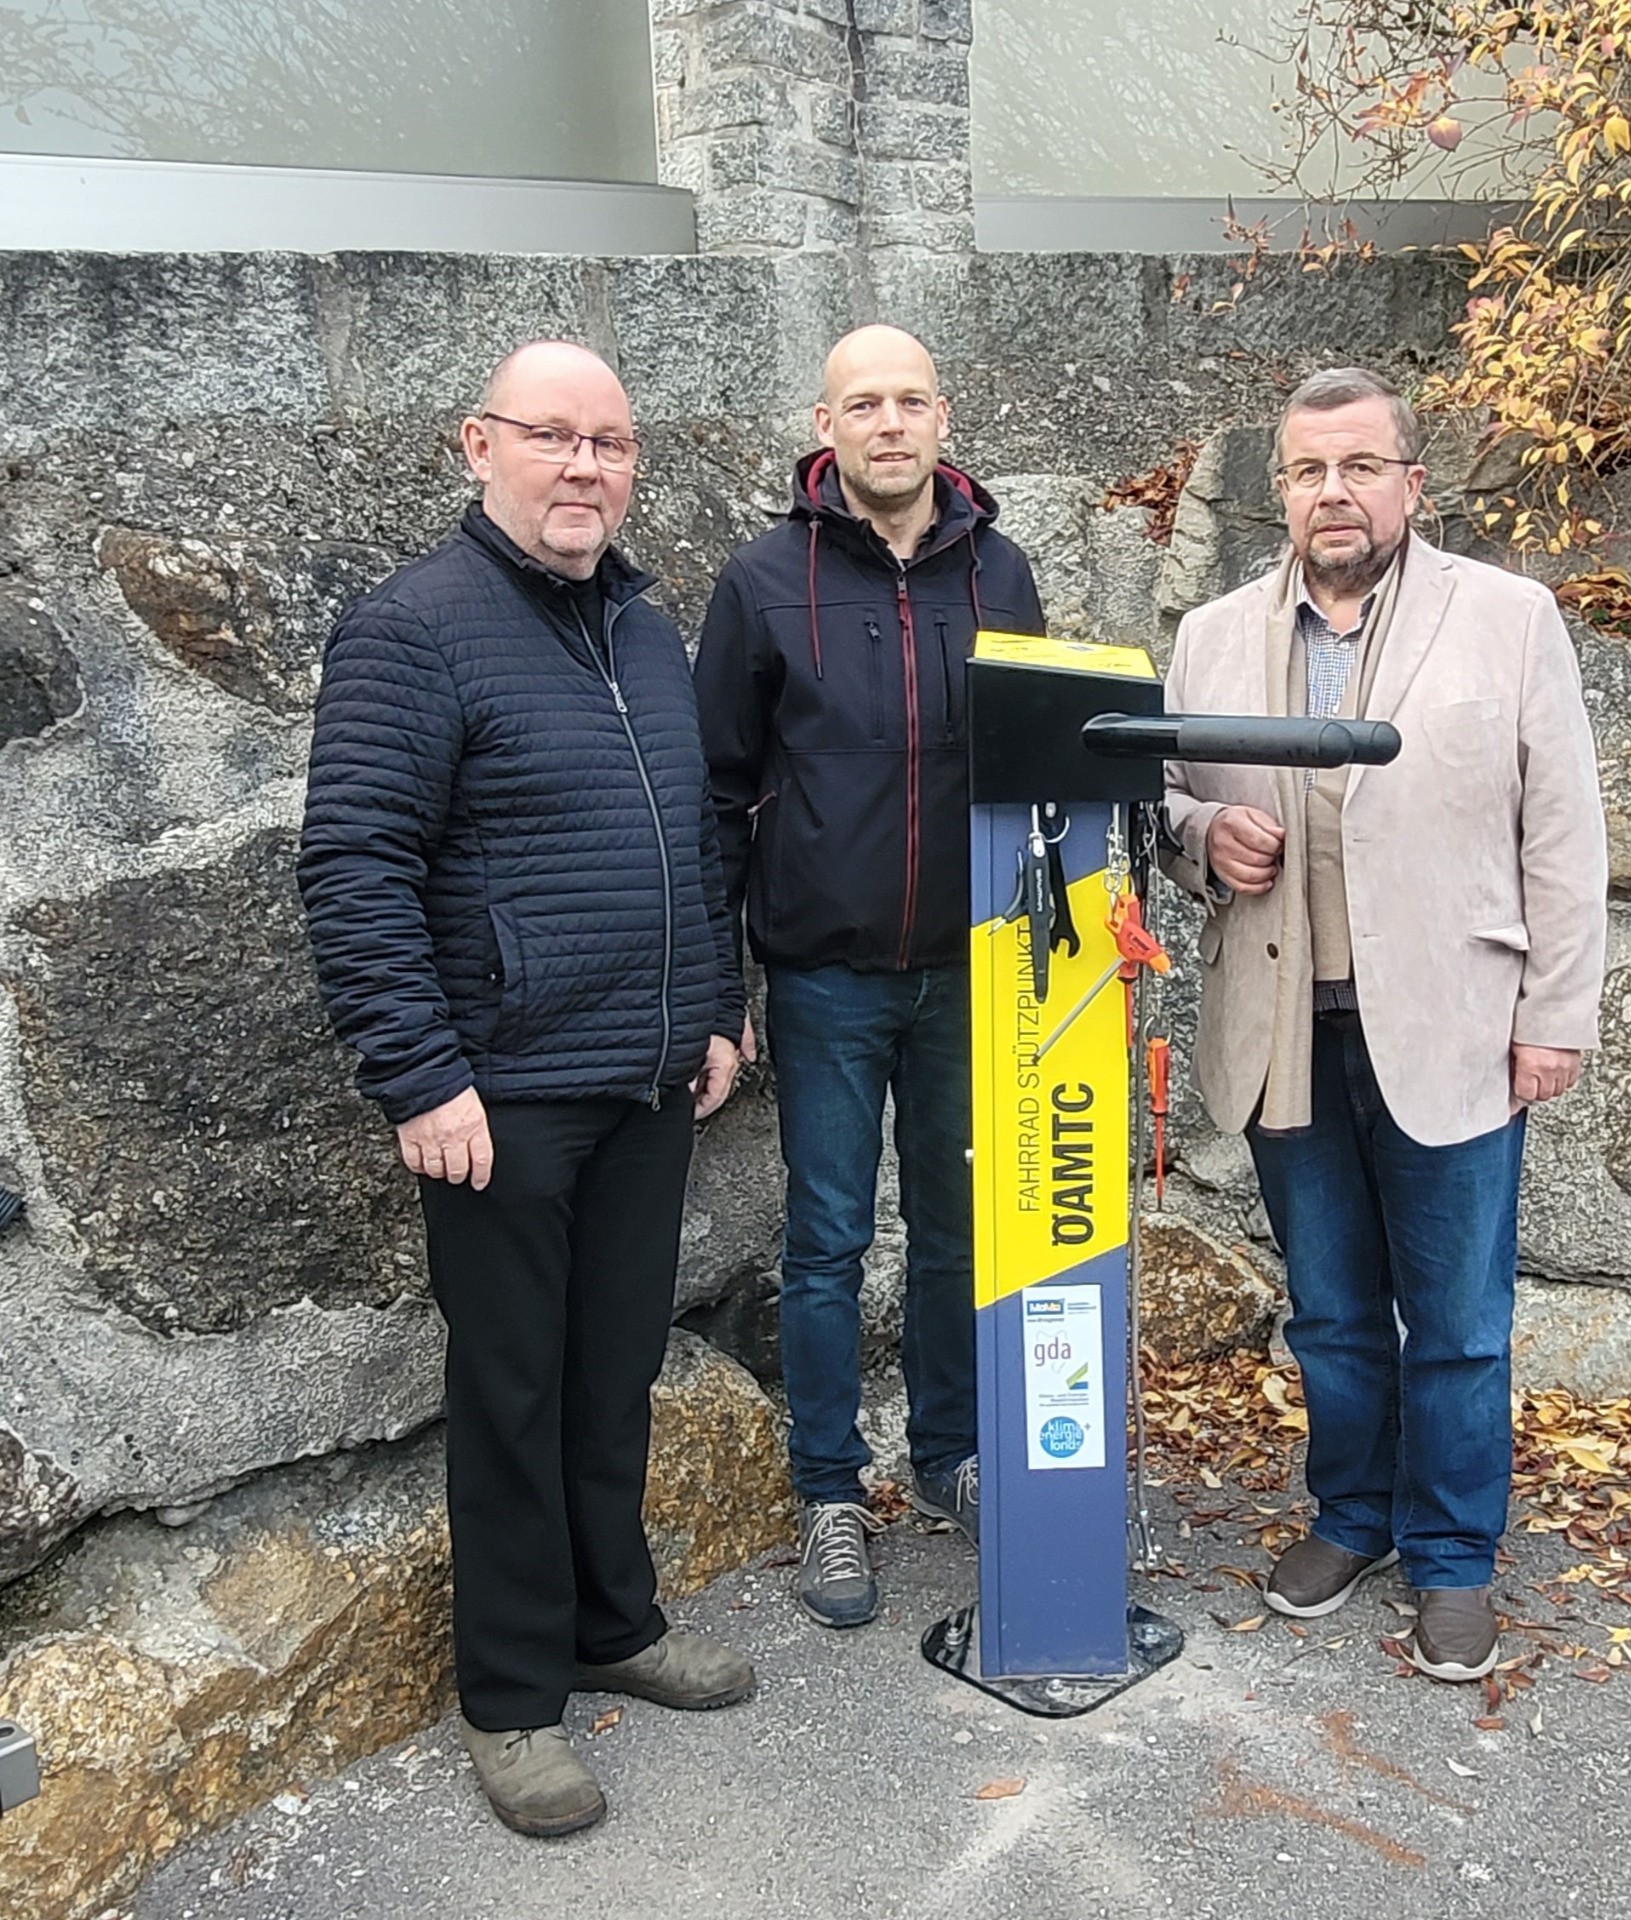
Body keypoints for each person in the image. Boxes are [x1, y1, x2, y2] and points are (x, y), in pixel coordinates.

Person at [299, 340, 753, 1837]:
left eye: (609, 442)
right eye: (551, 437)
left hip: (644, 1084)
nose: (584, 467)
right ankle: (510, 1700)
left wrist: (713, 1015)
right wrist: (422, 1077)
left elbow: (690, 836)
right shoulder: (411, 630)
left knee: (613, 1372)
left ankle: (611, 1621)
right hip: (497, 1100)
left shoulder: (639, 625)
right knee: (509, 1396)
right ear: (474, 446)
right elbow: (354, 866)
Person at [1160, 366, 1608, 1683]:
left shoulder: (1509, 618)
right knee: (1335, 1314)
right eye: (1309, 471)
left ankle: (1455, 1556)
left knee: (1459, 1322)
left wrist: (1555, 1014)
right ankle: (1353, 1516)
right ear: (1281, 493)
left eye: (1361, 466)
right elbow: (1169, 791)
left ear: (1412, 482)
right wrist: (1201, 837)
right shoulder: (1212, 636)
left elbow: (1563, 828)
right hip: (1288, 1023)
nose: (1334, 492)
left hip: (1459, 1025)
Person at [694, 324, 1045, 1628]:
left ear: (941, 417)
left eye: (909, 400)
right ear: (825, 424)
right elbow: (718, 792)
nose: (889, 422)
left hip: (966, 973)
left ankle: (949, 1457)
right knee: (828, 1242)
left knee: (962, 1233)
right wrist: (720, 982)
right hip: (826, 977)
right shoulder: (762, 582)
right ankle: (829, 1492)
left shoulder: (999, 575)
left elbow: (1037, 769)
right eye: (864, 403)